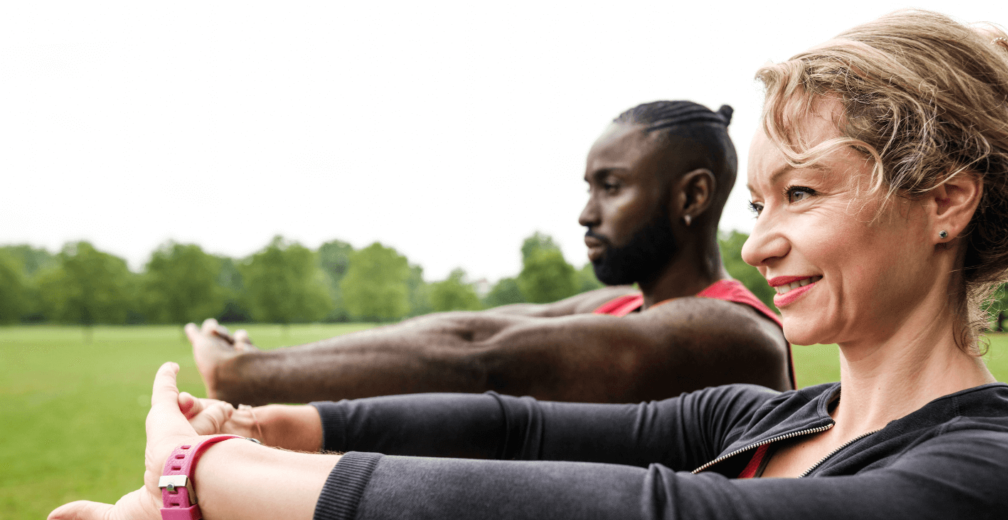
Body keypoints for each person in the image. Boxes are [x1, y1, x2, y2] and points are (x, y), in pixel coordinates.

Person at [48, 10, 1008, 520]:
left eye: (803, 193)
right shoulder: (768, 421)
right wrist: (276, 429)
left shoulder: (994, 479)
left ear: (945, 200)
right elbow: (509, 424)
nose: (763, 242)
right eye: (759, 203)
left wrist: (209, 479)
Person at [185, 101, 792, 407]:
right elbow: (472, 325)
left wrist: (247, 379)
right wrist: (267, 360)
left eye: (611, 187)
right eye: (588, 188)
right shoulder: (622, 306)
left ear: (692, 195)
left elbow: (481, 358)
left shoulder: (727, 333)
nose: (586, 213)